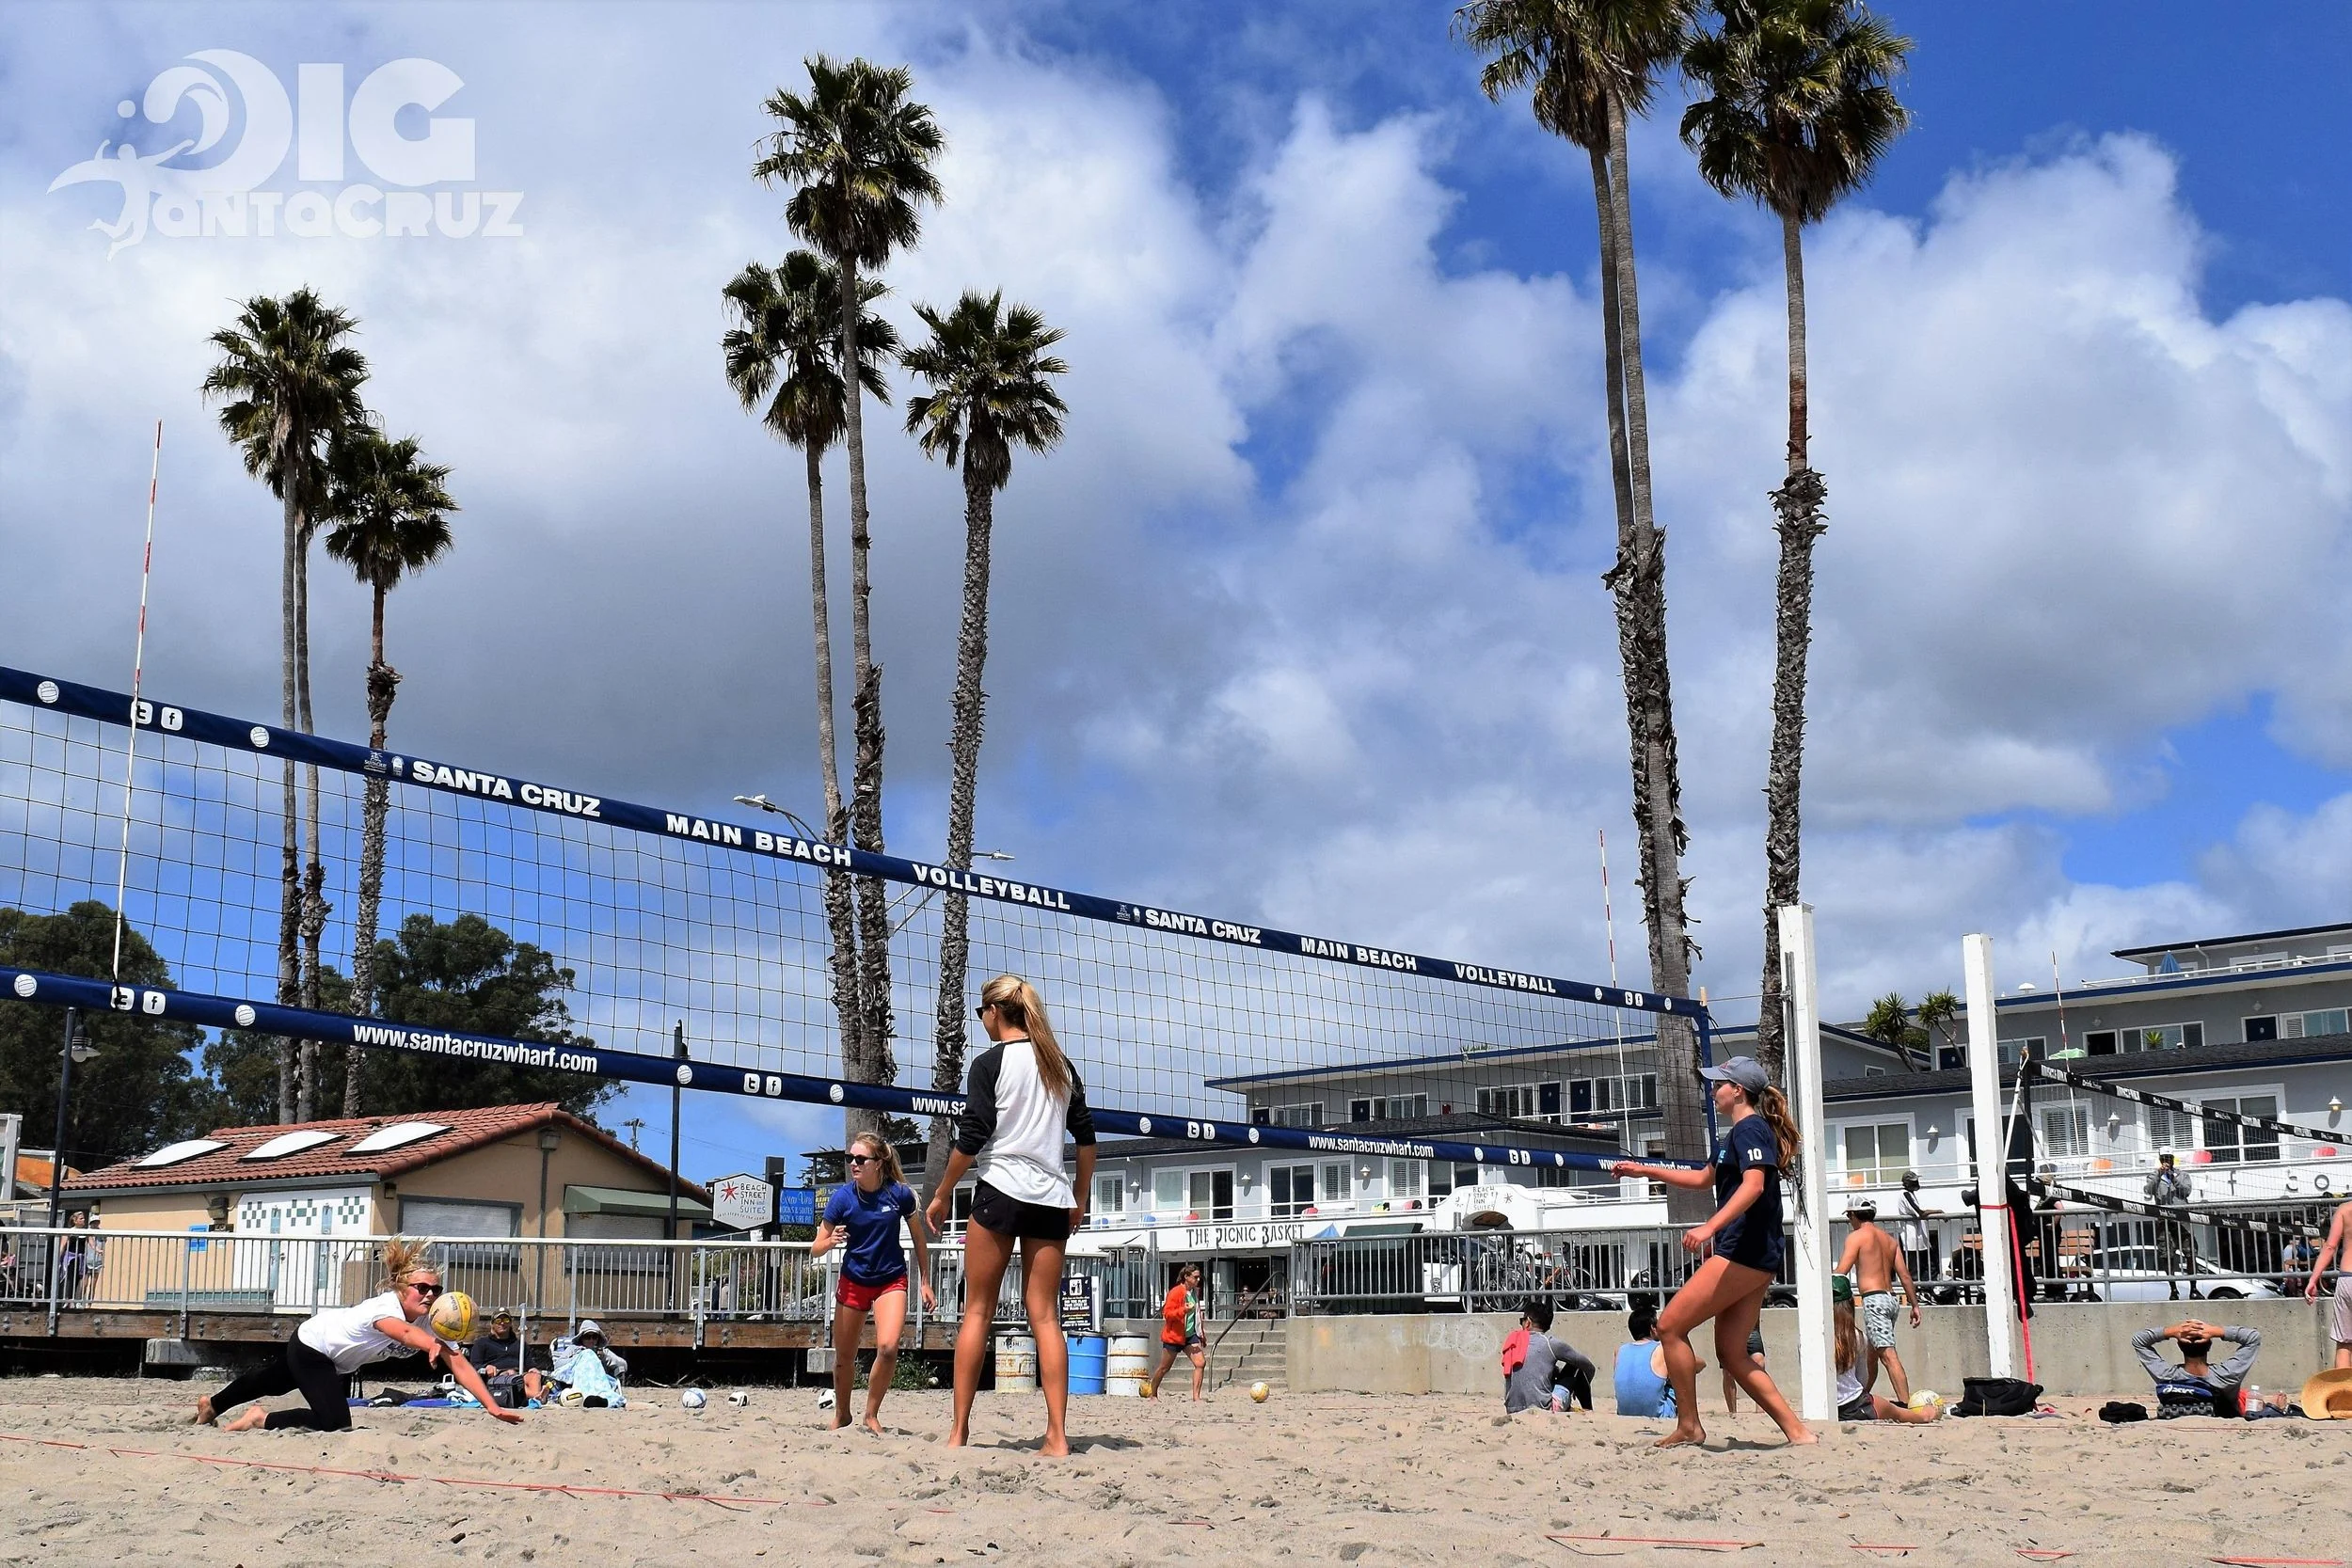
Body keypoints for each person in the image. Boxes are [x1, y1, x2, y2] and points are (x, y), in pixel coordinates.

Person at [926, 974, 1097, 1457]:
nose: (980, 1020)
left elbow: (973, 1136)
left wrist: (941, 1194)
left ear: (994, 1012)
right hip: (1049, 1197)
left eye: (981, 1012)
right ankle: (1058, 1437)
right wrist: (1078, 1199)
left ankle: (959, 1433)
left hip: (1001, 1188)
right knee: (1045, 1316)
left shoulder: (990, 1063)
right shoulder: (1059, 1065)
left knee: (977, 1311)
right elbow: (1087, 1143)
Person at [1611, 1056, 1815, 1448]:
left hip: (1743, 1252)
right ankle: (1799, 1433)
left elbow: (1754, 1186)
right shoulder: (1737, 1134)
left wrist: (1710, 1227)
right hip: (1755, 1255)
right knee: (1733, 1354)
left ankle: (1690, 1425)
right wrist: (1645, 1170)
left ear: (1737, 1090)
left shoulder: (1750, 1129)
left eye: (1718, 1084)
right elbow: (1705, 1178)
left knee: (1670, 1326)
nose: (1712, 1089)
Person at [197, 1237, 520, 1432]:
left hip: (333, 1360)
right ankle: (259, 1419)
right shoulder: (384, 1307)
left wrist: (491, 1406)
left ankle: (212, 1404)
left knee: (271, 1381)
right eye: (421, 1288)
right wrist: (432, 1344)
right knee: (336, 1421)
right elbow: (403, 1332)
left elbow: (460, 1364)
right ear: (402, 1288)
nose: (429, 1294)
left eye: (435, 1289)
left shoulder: (430, 1321)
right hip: (313, 1346)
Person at [815, 1129, 936, 1433]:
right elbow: (815, 1246)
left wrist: (925, 1280)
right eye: (850, 1158)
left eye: (860, 1159)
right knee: (844, 1357)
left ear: (878, 1162)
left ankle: (871, 1414)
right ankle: (842, 1414)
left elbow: (920, 1240)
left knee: (888, 1347)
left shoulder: (899, 1194)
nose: (853, 1164)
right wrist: (830, 1243)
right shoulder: (842, 1198)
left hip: (890, 1279)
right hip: (854, 1279)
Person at [1835, 1200, 1923, 1403]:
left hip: (1874, 1299)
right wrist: (1915, 1305)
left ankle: (1906, 1405)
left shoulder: (1856, 1237)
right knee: (1872, 1355)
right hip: (1891, 1299)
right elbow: (1905, 1275)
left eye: (1849, 1217)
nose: (1850, 1221)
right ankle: (1862, 1396)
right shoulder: (1889, 1240)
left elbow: (1842, 1271)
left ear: (1854, 1215)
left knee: (1888, 1355)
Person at [1833, 1277, 1942, 1425]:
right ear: (1851, 1303)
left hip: (1826, 1407)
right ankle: (1924, 1416)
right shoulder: (1856, 1336)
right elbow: (1862, 1379)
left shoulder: (1810, 1339)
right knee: (1894, 1410)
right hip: (1854, 1405)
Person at [2132, 1318, 2261, 1417]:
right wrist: (2216, 1331)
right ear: (2209, 1346)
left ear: (2179, 1346)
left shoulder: (2167, 1376)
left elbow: (2139, 1340)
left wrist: (2170, 1332)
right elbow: (2253, 1338)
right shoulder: (2226, 1376)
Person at [1502, 1297, 1594, 1414]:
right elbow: (1588, 1366)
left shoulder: (1512, 1341)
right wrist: (1583, 1384)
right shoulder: (1550, 1343)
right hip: (1543, 1409)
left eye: (1522, 1320)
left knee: (1553, 1373)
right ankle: (1588, 1411)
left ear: (1528, 1322)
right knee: (1576, 1367)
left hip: (1512, 1409)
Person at [1148, 1262, 1207, 1402]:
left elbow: (1197, 1315)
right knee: (1164, 1368)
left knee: (1200, 1363)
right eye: (1195, 1277)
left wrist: (1201, 1335)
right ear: (1186, 1277)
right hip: (1174, 1336)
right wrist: (1183, 1311)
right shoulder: (1175, 1292)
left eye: (1199, 1278)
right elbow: (1167, 1314)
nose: (1198, 1280)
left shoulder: (1195, 1292)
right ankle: (1153, 1394)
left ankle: (1196, 1397)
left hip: (1189, 1335)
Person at [2306, 1198, 2352, 1371]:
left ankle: (2344, 1397)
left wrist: (2313, 1279)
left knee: (2344, 1344)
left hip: (2347, 1278)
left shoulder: (2345, 1209)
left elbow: (2330, 1246)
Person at [1613, 1303, 1680, 1419]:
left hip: (1624, 1413)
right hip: (1657, 1415)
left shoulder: (1620, 1351)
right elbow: (1695, 1364)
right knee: (1675, 1378)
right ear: (1653, 1328)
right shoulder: (1662, 1349)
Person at [469, 1308, 547, 1407]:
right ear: (492, 1324)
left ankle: (537, 1397)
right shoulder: (482, 1343)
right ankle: (538, 1396)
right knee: (511, 1375)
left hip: (519, 1375)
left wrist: (533, 1369)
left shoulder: (520, 1344)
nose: (502, 1323)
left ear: (510, 1323)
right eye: (498, 1321)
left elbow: (530, 1364)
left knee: (534, 1376)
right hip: (497, 1376)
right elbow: (474, 1366)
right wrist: (486, 1367)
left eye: (506, 1320)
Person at [548, 1318, 629, 1403]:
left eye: (594, 1337)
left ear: (598, 1339)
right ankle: (592, 1398)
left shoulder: (603, 1352)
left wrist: (604, 1358)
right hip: (579, 1381)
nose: (591, 1340)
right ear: (582, 1338)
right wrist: (578, 1358)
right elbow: (558, 1365)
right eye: (587, 1337)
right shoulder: (573, 1349)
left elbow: (623, 1364)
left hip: (599, 1382)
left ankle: (597, 1399)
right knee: (587, 1354)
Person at [2147, 1151, 2192, 1301]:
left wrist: (2173, 1178)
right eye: (2163, 1159)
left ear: (2173, 1160)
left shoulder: (2182, 1175)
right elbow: (2148, 1190)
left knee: (2190, 1253)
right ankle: (2173, 1289)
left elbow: (2186, 1191)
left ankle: (2194, 1288)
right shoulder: (2154, 1176)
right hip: (2164, 1222)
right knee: (2167, 1256)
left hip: (2182, 1222)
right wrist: (2159, 1175)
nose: (2166, 1162)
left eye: (2169, 1159)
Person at [1897, 1171, 1941, 1289]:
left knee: (1929, 1266)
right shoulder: (1905, 1194)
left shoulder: (1910, 1194)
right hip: (1911, 1239)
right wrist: (1938, 1211)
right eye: (1914, 1182)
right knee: (1915, 1270)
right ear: (1907, 1183)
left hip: (1919, 1238)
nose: (1917, 1183)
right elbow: (1920, 1213)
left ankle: (1927, 1290)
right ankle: (1916, 1295)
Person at [1723, 1327, 1765, 1415]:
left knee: (1759, 1363)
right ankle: (1732, 1411)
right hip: (1728, 1331)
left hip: (1751, 1329)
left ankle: (1760, 1410)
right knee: (1728, 1371)